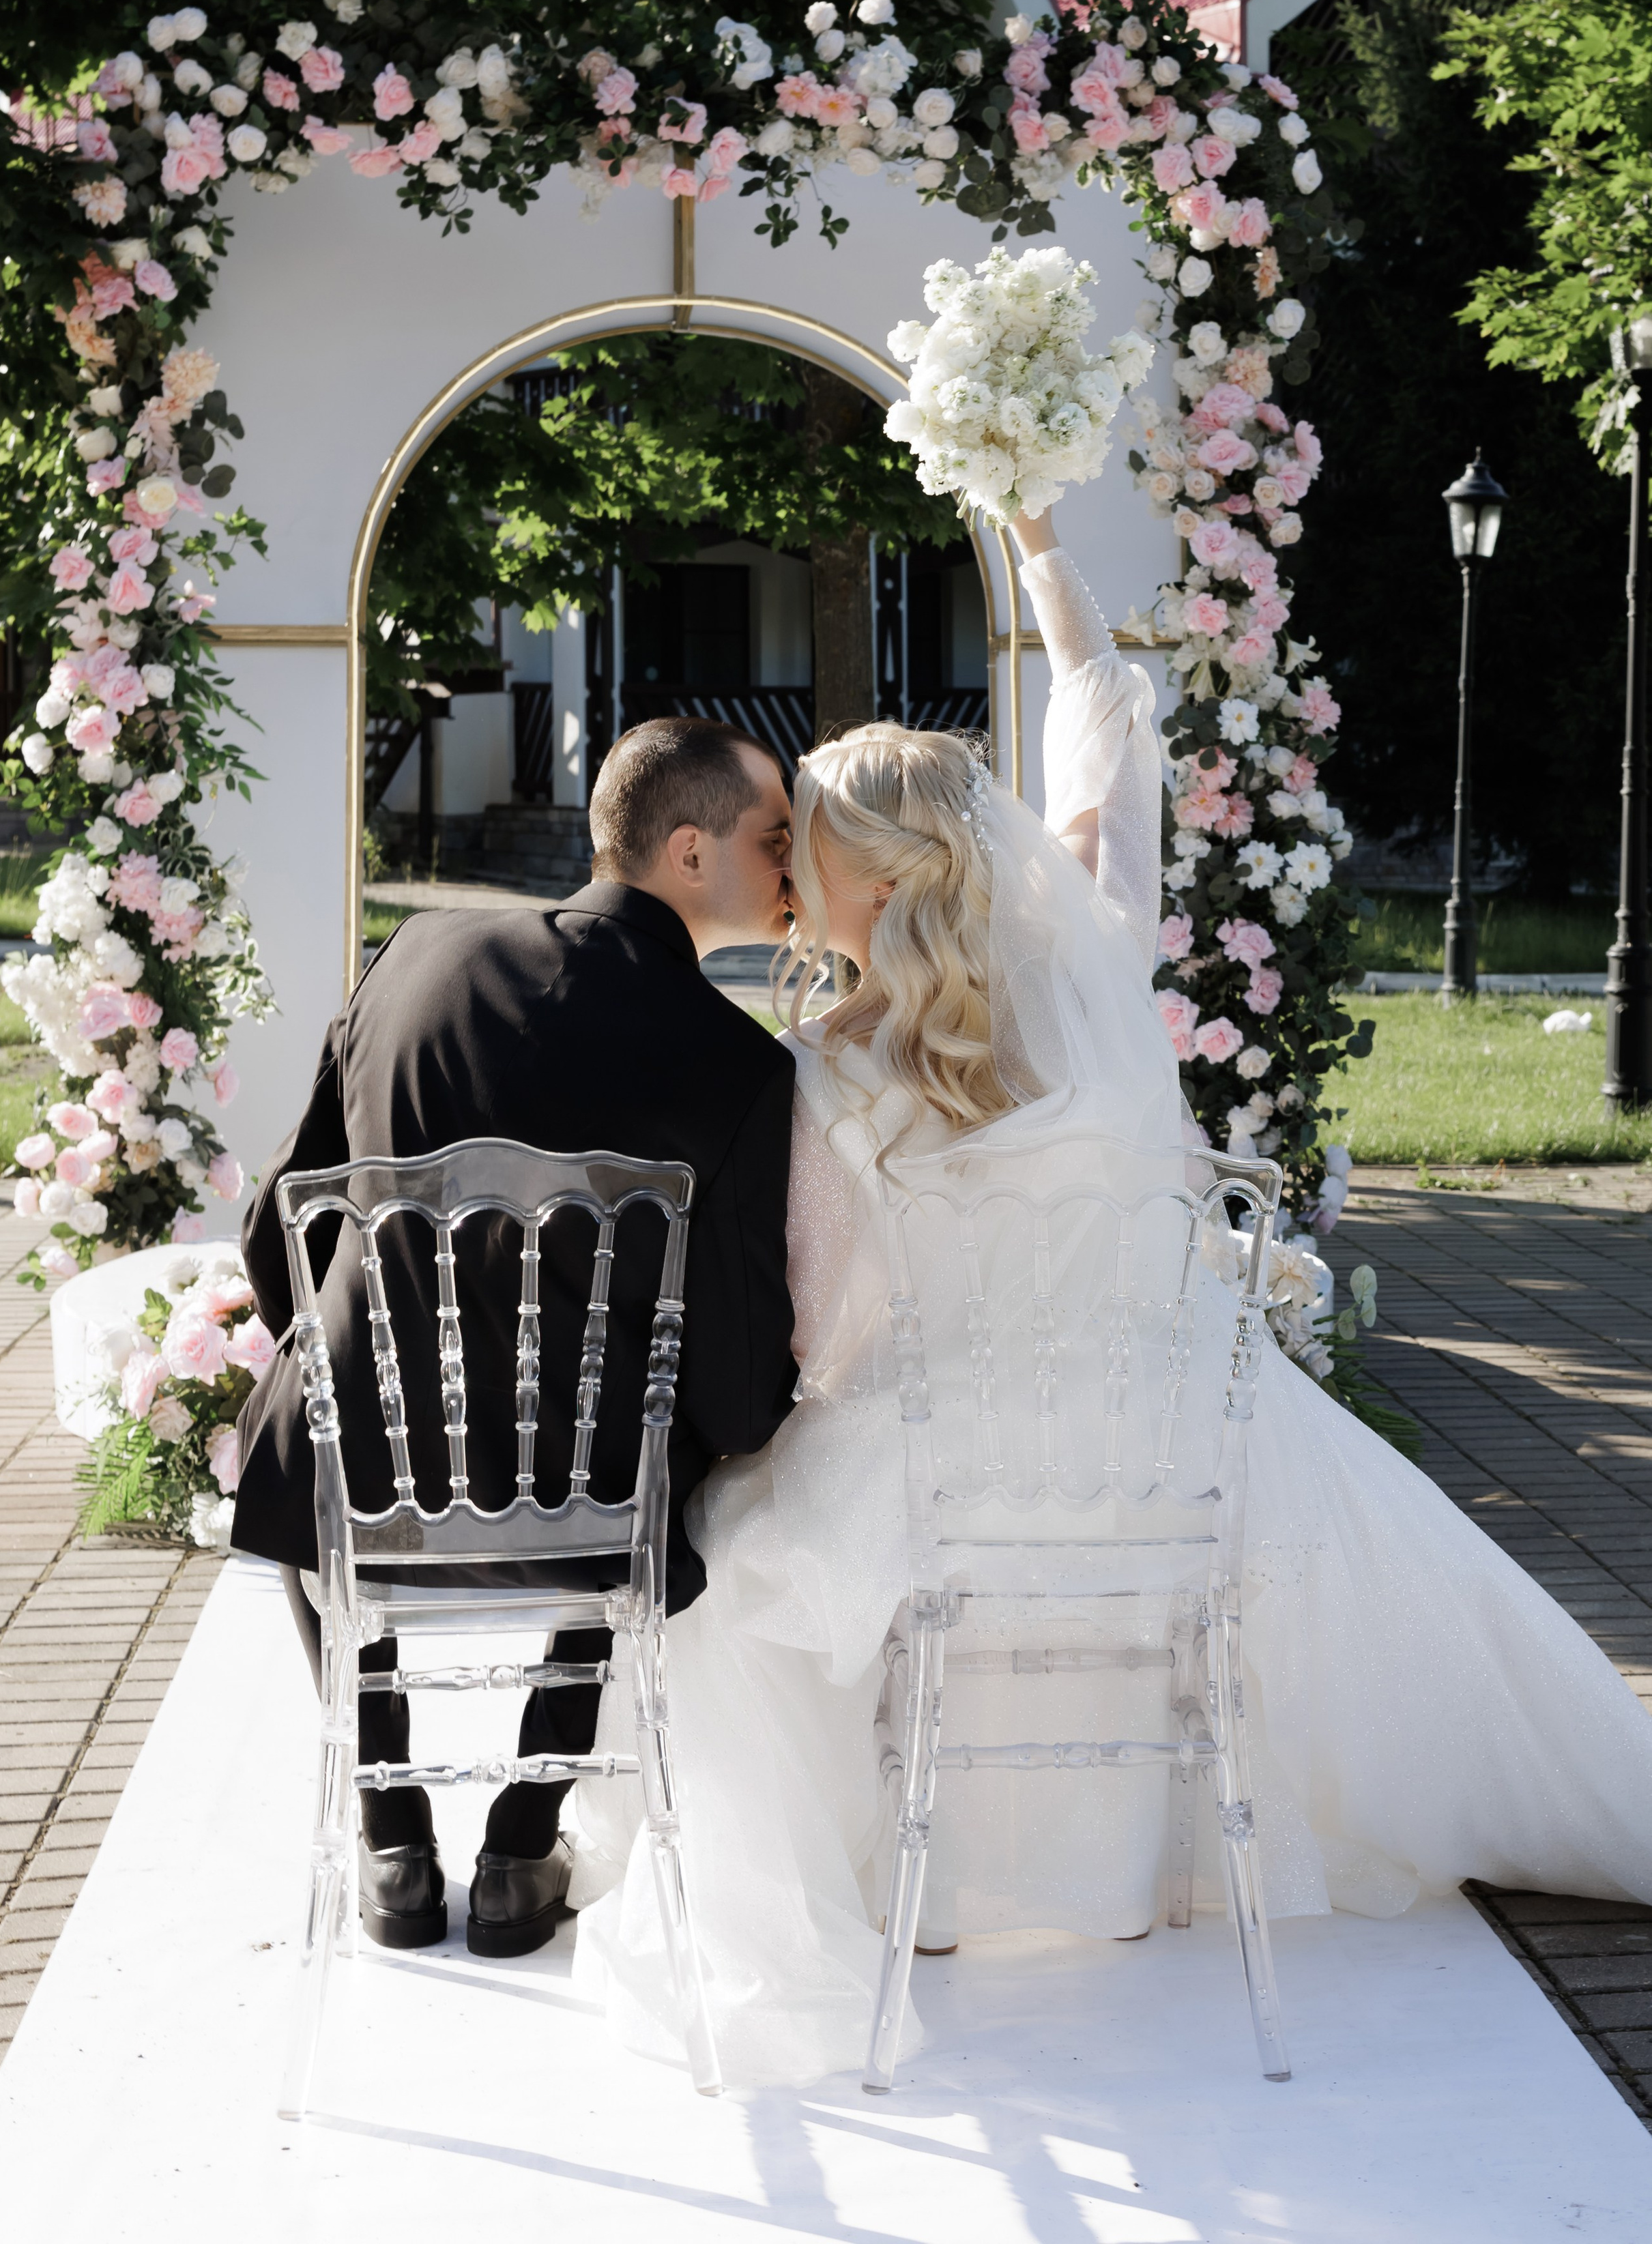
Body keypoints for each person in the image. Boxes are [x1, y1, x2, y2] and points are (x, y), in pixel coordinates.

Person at [570, 510, 1652, 2088]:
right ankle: (1170, 1864)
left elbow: (823, 1321)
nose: (786, 874)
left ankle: (902, 1892)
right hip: (1158, 1456)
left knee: (737, 1594)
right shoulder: (1097, 963)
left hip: (942, 1481)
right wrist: (1044, 559)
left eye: (802, 848)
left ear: (857, 873)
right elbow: (1105, 761)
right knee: (1341, 1526)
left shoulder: (824, 1069)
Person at [234, 717, 799, 1959]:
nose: (796, 865)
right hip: (593, 1496)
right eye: (777, 839)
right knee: (677, 1436)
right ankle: (520, 1838)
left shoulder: (414, 956)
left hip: (372, 1469)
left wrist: (323, 1353)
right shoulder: (743, 1068)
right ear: (691, 852)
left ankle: (387, 1831)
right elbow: (746, 1391)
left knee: (303, 1405)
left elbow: (277, 1215)